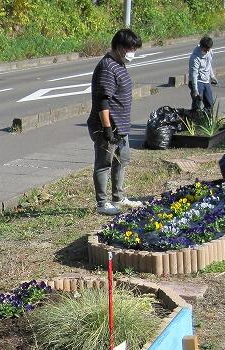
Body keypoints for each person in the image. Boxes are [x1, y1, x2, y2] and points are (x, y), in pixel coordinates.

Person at [87, 29, 144, 216]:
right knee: (104, 163)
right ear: (119, 47)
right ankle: (102, 203)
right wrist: (107, 128)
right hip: (108, 126)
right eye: (131, 48)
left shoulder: (119, 64)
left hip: (122, 126)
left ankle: (118, 197)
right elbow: (103, 100)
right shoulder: (107, 67)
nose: (133, 53)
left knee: (123, 159)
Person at [188, 36, 218, 113]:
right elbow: (193, 74)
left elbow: (209, 65)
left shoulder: (210, 52)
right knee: (197, 102)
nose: (207, 52)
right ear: (201, 47)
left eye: (209, 50)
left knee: (210, 104)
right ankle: (194, 119)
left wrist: (212, 76)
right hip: (197, 81)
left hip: (205, 80)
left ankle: (206, 121)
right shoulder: (195, 58)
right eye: (206, 50)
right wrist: (195, 90)